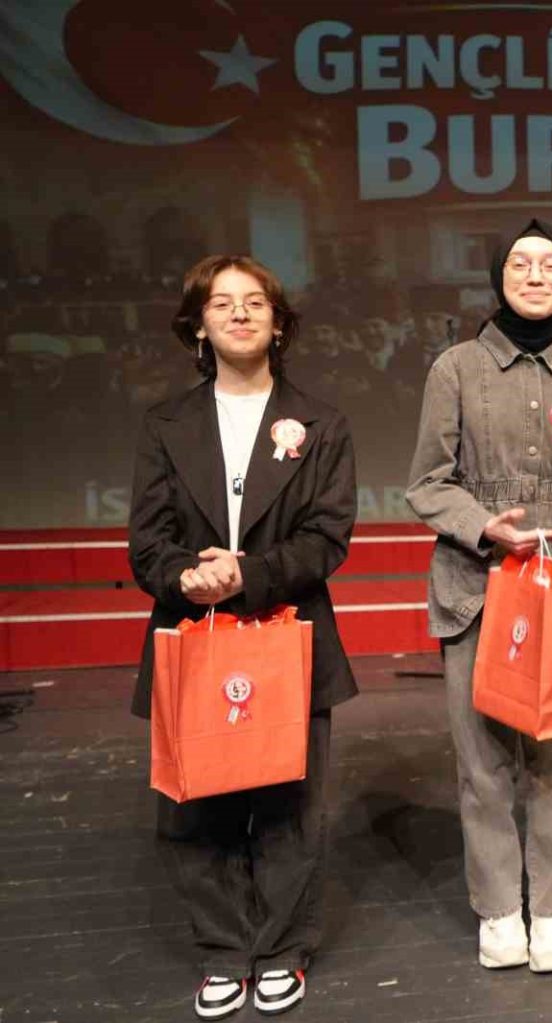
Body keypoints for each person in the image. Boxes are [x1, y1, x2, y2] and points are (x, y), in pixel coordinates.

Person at [128, 255, 357, 1019]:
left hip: (288, 628)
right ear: (198, 325)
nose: (239, 313)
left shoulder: (322, 423)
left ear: (279, 323)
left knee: (291, 801)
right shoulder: (166, 424)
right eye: (221, 303)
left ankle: (283, 947)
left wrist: (248, 575)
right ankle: (224, 948)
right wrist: (186, 577)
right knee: (196, 805)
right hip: (192, 631)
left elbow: (327, 536)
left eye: (255, 301)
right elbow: (147, 542)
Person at [406, 219, 552, 974]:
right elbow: (427, 484)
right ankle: (499, 907)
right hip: (477, 587)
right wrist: (481, 526)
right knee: (484, 762)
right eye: (520, 263)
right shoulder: (456, 368)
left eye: (550, 264)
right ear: (498, 277)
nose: (535, 275)